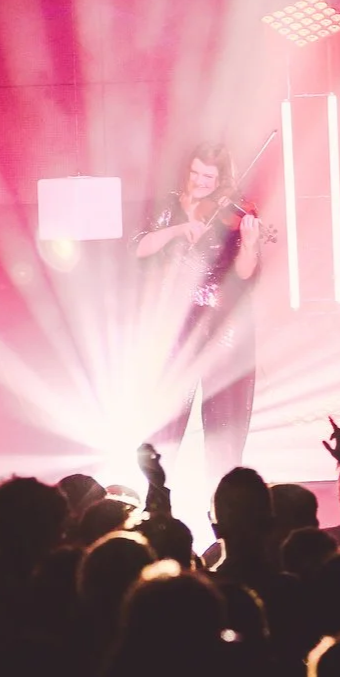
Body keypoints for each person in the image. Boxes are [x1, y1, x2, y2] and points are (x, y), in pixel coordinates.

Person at [134, 142, 263, 483]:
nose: (200, 182)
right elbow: (139, 246)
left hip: (222, 323)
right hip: (175, 321)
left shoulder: (234, 212)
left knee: (225, 416)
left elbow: (244, 274)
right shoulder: (168, 206)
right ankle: (157, 493)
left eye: (208, 177)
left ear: (221, 180)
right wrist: (179, 229)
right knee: (166, 412)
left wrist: (250, 244)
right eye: (195, 173)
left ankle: (223, 495)